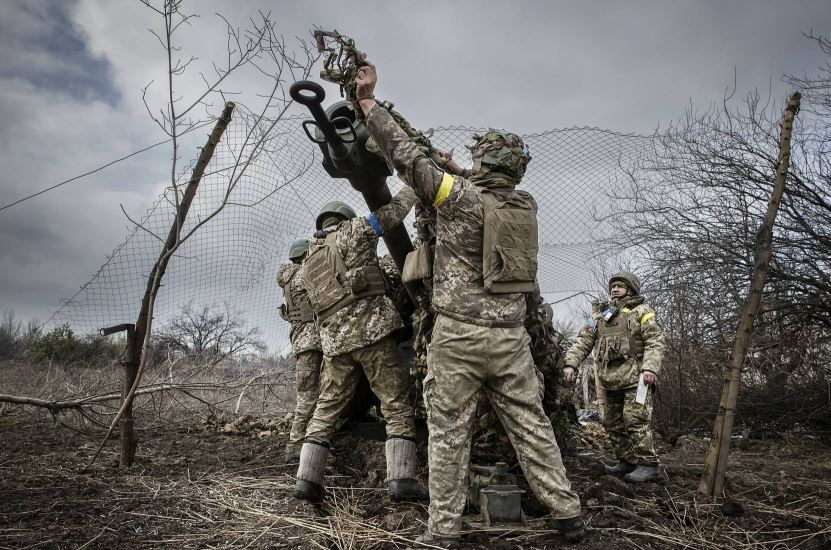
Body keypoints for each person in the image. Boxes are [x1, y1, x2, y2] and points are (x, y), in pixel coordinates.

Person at [355, 64, 585, 546]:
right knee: (531, 427)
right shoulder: (525, 205)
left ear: (484, 165)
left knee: (448, 434)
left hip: (458, 337)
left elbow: (405, 158)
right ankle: (567, 514)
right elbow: (481, 190)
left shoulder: (457, 199)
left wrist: (369, 104)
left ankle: (443, 531)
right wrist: (463, 170)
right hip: (510, 338)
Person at [294, 196, 428, 503]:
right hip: (372, 337)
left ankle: (306, 481)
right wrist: (412, 184)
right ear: (344, 218)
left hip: (335, 346)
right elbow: (391, 214)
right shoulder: (353, 231)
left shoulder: (308, 260)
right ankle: (402, 479)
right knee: (395, 404)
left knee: (325, 409)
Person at [563, 271, 665, 483]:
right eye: (613, 286)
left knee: (634, 420)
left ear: (631, 289)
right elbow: (583, 341)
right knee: (611, 422)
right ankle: (627, 461)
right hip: (610, 380)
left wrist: (650, 368)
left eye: (620, 286)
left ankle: (649, 465)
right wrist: (571, 363)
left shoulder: (642, 312)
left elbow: (655, 340)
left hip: (637, 380)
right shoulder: (600, 316)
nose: (614, 289)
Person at [276, 238, 323, 463]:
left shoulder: (288, 278)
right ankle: (297, 444)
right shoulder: (302, 275)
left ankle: (299, 443)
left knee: (308, 394)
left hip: (301, 343)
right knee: (309, 396)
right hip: (312, 342)